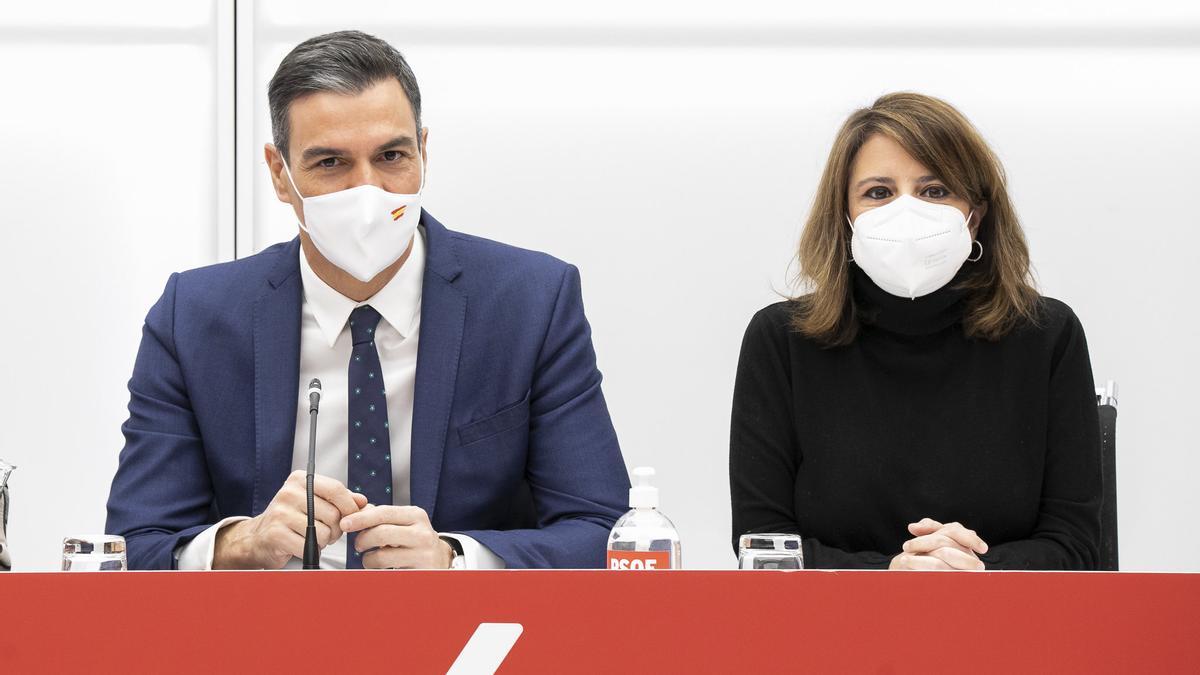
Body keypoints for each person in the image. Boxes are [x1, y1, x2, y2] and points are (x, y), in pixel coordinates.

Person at [106, 30, 629, 570]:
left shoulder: (530, 303)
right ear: (279, 174)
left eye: (391, 155)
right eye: (330, 162)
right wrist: (241, 544)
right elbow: (132, 545)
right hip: (264, 640)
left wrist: (456, 560)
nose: (368, 191)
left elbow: (606, 535)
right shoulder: (193, 316)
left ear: (423, 152)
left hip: (470, 638)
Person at [729, 92, 1101, 570]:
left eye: (934, 191)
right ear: (844, 218)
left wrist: (978, 571)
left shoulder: (1047, 335)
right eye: (878, 193)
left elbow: (1076, 545)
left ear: (976, 215)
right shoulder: (781, 340)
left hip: (1009, 629)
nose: (906, 212)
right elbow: (762, 547)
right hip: (828, 632)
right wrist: (888, 575)